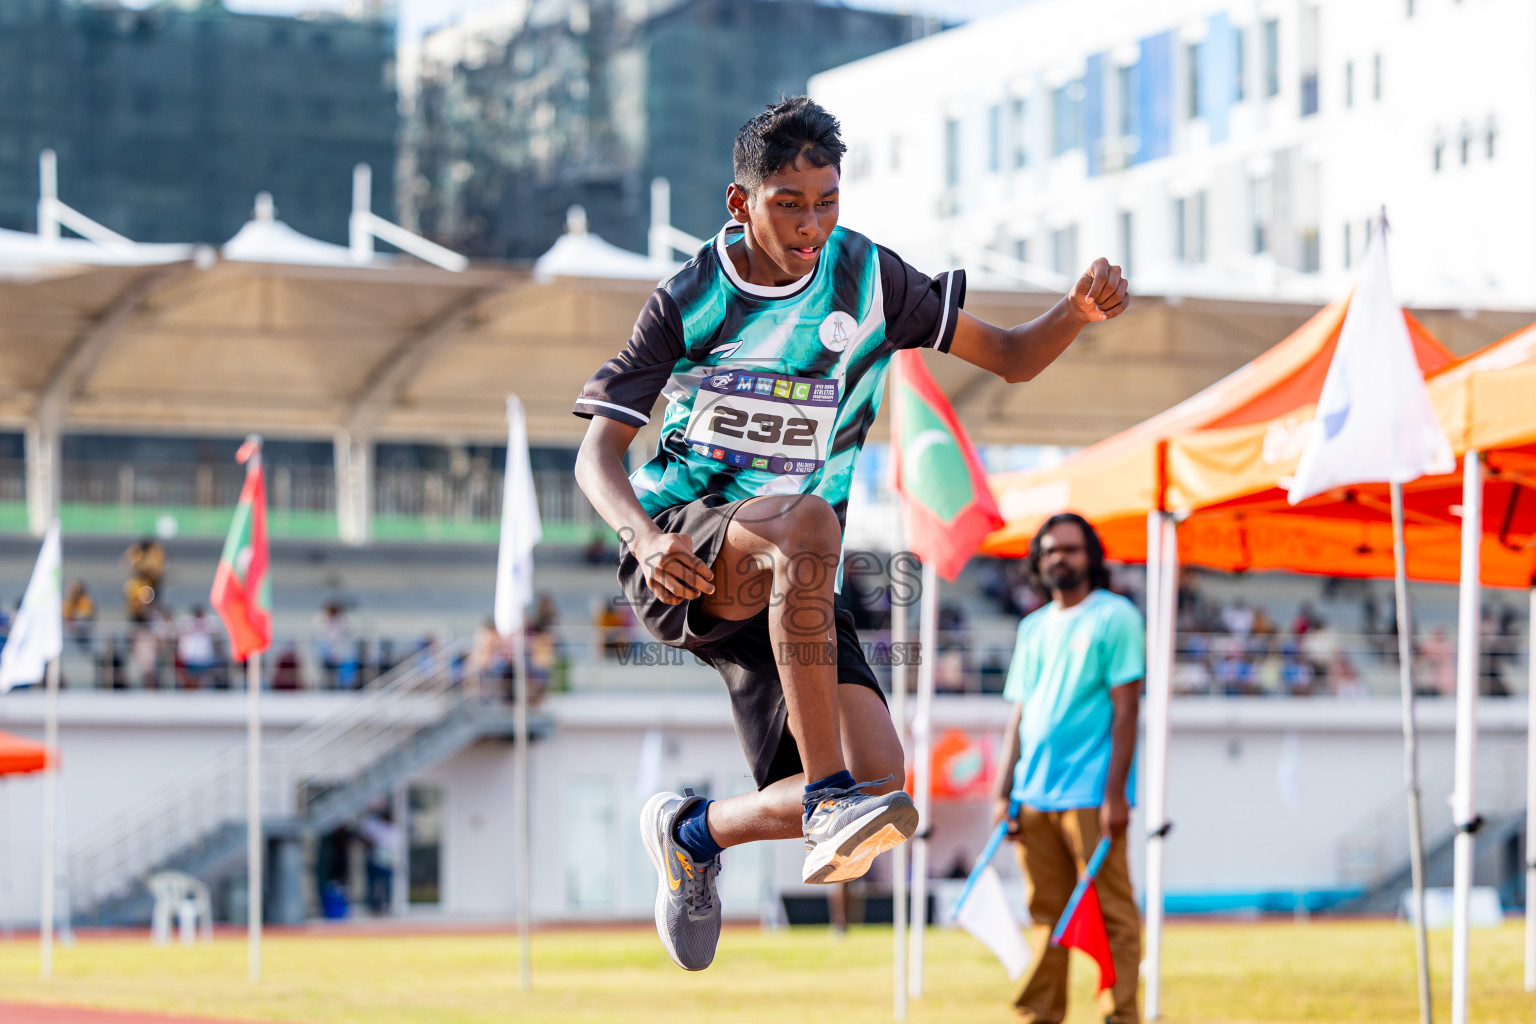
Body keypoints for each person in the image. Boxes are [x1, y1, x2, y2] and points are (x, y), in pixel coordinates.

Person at [572, 96, 1129, 972]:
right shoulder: (690, 297)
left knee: (887, 787)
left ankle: (693, 832)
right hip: (690, 550)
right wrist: (643, 537)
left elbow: (1013, 357)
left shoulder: (870, 279)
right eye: (789, 202)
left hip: (799, 578)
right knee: (808, 521)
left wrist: (1076, 311)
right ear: (739, 202)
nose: (811, 223)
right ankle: (826, 798)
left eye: (826, 200)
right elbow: (596, 455)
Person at [991, 513, 1144, 1024]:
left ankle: (1120, 1015)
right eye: (1052, 550)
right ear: (1039, 559)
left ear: (1091, 556)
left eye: (1072, 550)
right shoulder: (1032, 626)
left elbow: (1127, 710)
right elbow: (1019, 714)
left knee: (1113, 915)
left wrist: (1117, 795)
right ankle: (1040, 1014)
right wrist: (1001, 791)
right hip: (1033, 797)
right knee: (1045, 916)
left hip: (1092, 796)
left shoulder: (1115, 616)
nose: (1061, 558)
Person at [63, 580, 96, 652]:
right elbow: (66, 615)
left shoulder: (86, 600)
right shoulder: (68, 602)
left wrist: (76, 615)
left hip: (84, 632)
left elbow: (87, 615)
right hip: (71, 632)